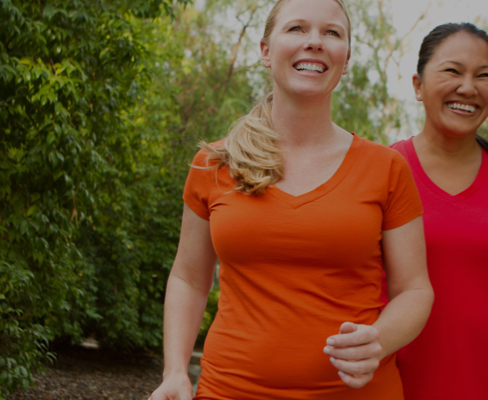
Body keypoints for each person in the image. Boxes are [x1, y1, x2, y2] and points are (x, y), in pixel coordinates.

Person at [150, 0, 434, 399]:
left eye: (331, 33)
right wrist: (176, 370)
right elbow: (189, 278)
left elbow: (415, 290)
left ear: (346, 59)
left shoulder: (386, 168)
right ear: (266, 51)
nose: (314, 42)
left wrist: (379, 340)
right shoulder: (215, 162)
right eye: (296, 29)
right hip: (229, 390)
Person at [389, 23, 488, 400]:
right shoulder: (381, 170)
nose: (468, 87)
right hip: (392, 388)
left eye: (484, 76)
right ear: (417, 85)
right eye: (452, 71)